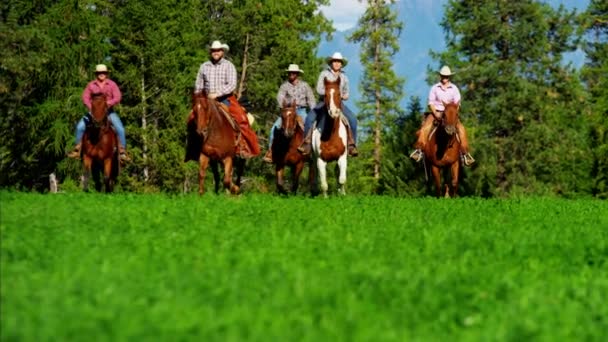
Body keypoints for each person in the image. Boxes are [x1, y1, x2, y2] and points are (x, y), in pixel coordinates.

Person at [191, 40, 260, 158]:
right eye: (213, 50)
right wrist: (200, 96)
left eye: (218, 50)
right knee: (191, 118)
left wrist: (217, 94)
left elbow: (232, 85)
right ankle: (192, 149)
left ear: (222, 52)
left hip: (225, 99)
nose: (215, 52)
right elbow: (198, 85)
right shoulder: (204, 66)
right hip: (206, 100)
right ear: (211, 52)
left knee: (241, 118)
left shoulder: (228, 65)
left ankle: (244, 146)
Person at [409, 65, 475, 166]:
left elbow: (457, 103)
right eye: (443, 76)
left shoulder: (454, 89)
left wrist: (452, 113)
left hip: (450, 114)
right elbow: (430, 102)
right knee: (425, 128)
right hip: (437, 112)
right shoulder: (435, 88)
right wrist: (435, 113)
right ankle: (419, 150)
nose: (445, 78)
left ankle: (465, 153)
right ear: (440, 76)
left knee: (461, 129)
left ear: (449, 77)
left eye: (447, 76)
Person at [298, 52, 358, 157]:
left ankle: (351, 145)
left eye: (339, 62)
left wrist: (344, 96)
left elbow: (347, 92)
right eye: (335, 61)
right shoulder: (324, 74)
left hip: (339, 104)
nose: (337, 63)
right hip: (324, 102)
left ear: (341, 64)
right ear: (331, 63)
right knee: (309, 118)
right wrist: (330, 93)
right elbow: (319, 89)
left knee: (353, 120)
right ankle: (306, 144)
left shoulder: (344, 77)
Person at [67, 64, 129, 161]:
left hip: (109, 112)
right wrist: (92, 107)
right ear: (96, 74)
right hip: (94, 112)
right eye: (99, 73)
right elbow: (85, 97)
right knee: (80, 127)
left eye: (103, 72)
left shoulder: (112, 84)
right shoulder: (91, 85)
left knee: (120, 128)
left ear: (106, 74)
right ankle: (77, 149)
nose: (101, 74)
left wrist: (107, 104)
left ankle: (122, 151)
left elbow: (117, 97)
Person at [263, 64, 316, 163]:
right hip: (288, 111)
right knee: (274, 128)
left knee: (310, 128)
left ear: (297, 74)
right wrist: (285, 107)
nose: (291, 74)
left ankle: (311, 152)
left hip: (301, 110)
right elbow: (279, 97)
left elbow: (311, 99)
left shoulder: (305, 85)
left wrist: (313, 110)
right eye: (290, 73)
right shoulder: (284, 86)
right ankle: (270, 151)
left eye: (293, 73)